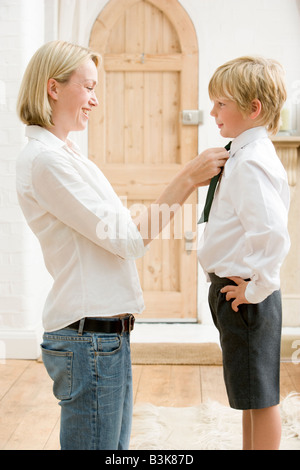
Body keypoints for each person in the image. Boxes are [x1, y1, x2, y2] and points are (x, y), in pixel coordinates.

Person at [16, 40, 228, 450]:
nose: (95, 100)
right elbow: (129, 239)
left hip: (103, 336)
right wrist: (187, 177)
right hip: (88, 339)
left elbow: (121, 225)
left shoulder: (67, 155)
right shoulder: (47, 162)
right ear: (53, 88)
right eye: (89, 87)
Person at [198, 56, 290, 450]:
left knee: (260, 394)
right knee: (249, 392)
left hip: (246, 296)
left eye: (222, 103)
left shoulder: (251, 162)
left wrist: (255, 290)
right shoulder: (239, 154)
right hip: (236, 293)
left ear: (253, 109)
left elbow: (272, 234)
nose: (213, 111)